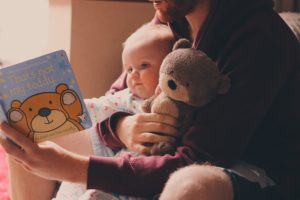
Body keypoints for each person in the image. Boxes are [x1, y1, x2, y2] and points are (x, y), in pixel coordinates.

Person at [0, 0, 299, 200]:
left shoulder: (259, 38)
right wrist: (122, 126)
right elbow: (120, 96)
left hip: (250, 170)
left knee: (191, 185)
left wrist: (73, 168)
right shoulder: (174, 15)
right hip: (166, 142)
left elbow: (194, 158)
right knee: (30, 130)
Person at [55, 22, 175, 200]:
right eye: (129, 69)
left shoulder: (178, 101)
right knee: (78, 183)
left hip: (146, 176)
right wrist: (68, 107)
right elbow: (98, 107)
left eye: (144, 66)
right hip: (118, 166)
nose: (133, 75)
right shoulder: (127, 98)